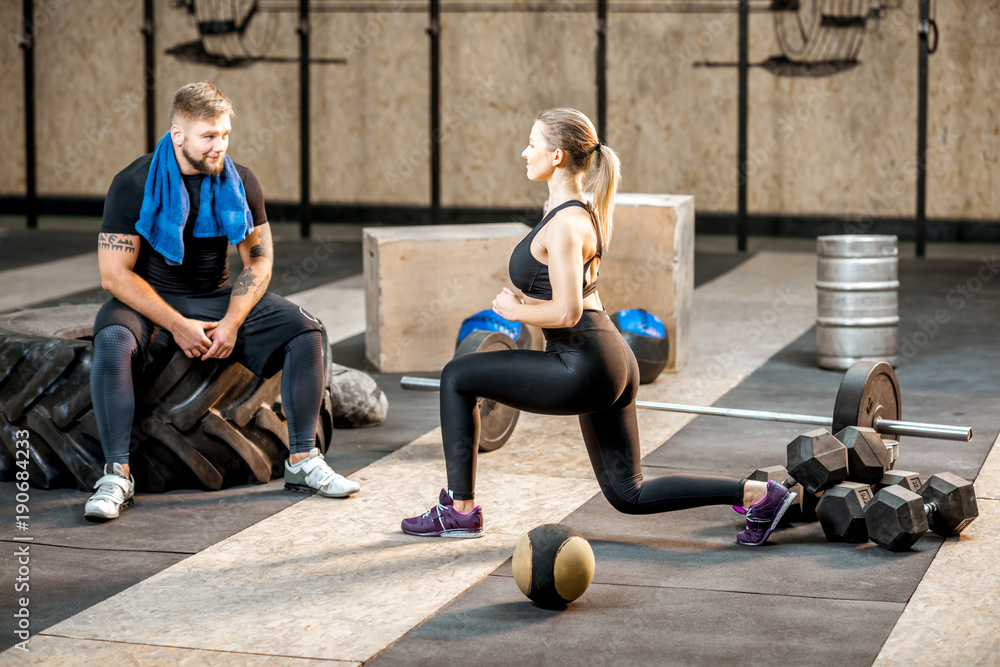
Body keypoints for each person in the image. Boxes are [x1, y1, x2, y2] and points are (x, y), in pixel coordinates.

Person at [401, 108, 795, 546]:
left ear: (556, 156)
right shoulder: (573, 208)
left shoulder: (568, 223)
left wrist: (515, 312)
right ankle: (760, 495)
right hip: (608, 357)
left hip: (584, 362)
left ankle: (459, 511)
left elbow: (567, 312)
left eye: (532, 144)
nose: (523, 152)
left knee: (457, 376)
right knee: (629, 493)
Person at [84, 82, 359, 521]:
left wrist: (231, 321)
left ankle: (303, 461)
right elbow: (114, 275)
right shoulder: (133, 183)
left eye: (225, 134)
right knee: (114, 338)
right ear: (178, 135)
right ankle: (117, 474)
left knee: (307, 330)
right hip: (150, 301)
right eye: (208, 136)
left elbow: (260, 261)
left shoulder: (241, 180)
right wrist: (176, 324)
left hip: (215, 297)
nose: (220, 146)